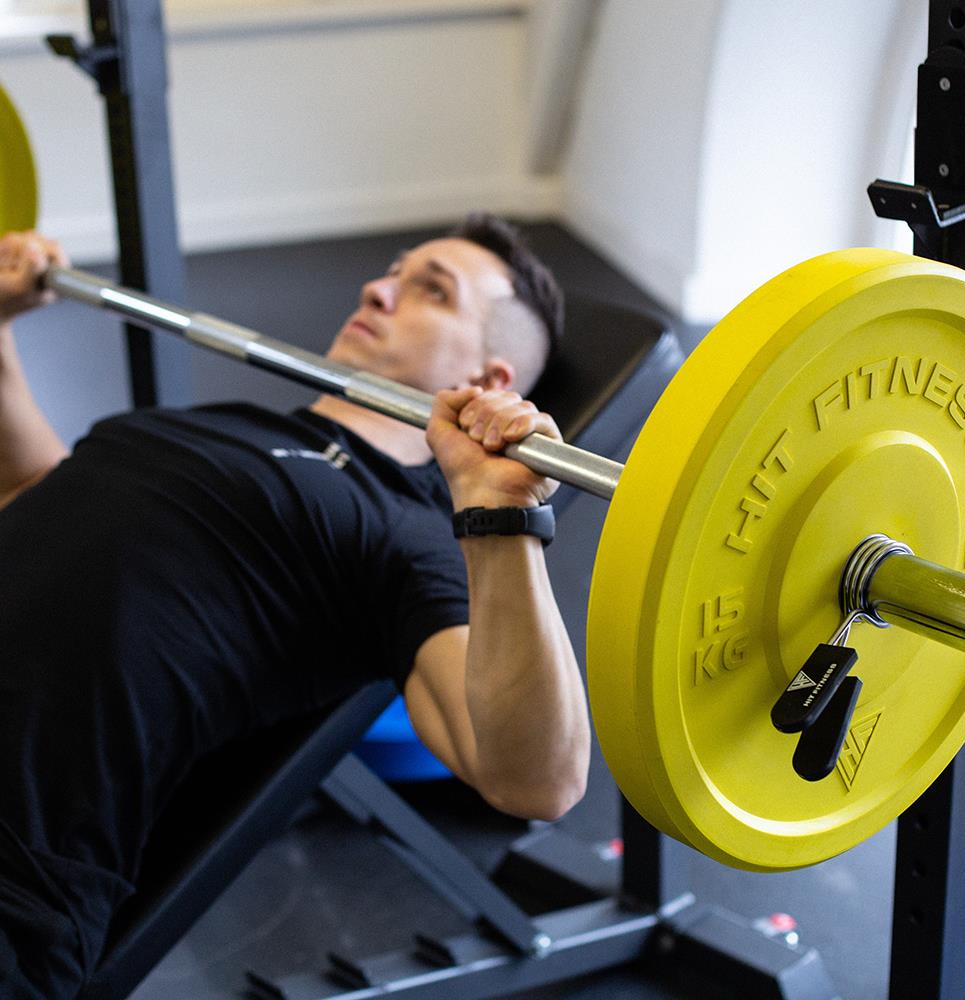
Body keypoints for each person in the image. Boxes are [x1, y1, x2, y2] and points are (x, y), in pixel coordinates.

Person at [0, 215, 591, 999]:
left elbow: (535, 780)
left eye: (430, 290)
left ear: (489, 381)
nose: (377, 287)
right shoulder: (227, 427)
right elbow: (38, 493)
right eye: (393, 268)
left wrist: (500, 517)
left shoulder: (404, 532)